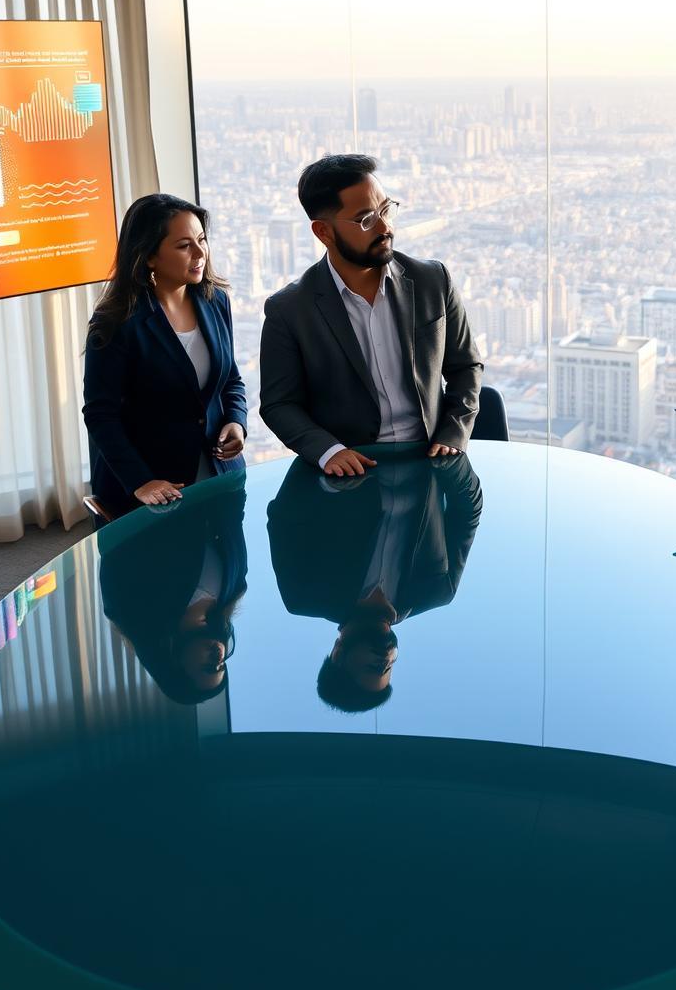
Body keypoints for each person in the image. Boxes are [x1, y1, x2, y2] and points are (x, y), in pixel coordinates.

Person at [260, 154, 481, 477]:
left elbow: (466, 367)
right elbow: (279, 404)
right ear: (324, 232)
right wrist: (329, 452)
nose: (385, 226)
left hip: (432, 459)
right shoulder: (289, 309)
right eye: (365, 219)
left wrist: (453, 432)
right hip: (351, 473)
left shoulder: (433, 280)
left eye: (386, 209)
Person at [267, 449, 483, 712]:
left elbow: (284, 520)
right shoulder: (437, 591)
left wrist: (326, 463)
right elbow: (468, 513)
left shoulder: (304, 595)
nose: (385, 659)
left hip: (349, 439)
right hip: (423, 438)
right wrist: (451, 458)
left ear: (338, 655)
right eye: (389, 667)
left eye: (373, 667)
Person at [82, 193, 248, 517]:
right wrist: (141, 481)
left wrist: (236, 422)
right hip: (152, 481)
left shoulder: (216, 301)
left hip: (218, 469)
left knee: (229, 564)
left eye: (201, 240)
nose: (200, 253)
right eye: (184, 245)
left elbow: (231, 379)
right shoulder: (115, 322)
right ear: (149, 256)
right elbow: (100, 414)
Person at [99, 472, 248, 706]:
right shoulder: (234, 589)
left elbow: (116, 544)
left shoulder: (129, 610)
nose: (218, 658)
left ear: (174, 665)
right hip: (214, 471)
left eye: (208, 666)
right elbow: (234, 520)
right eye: (221, 665)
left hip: (159, 477)